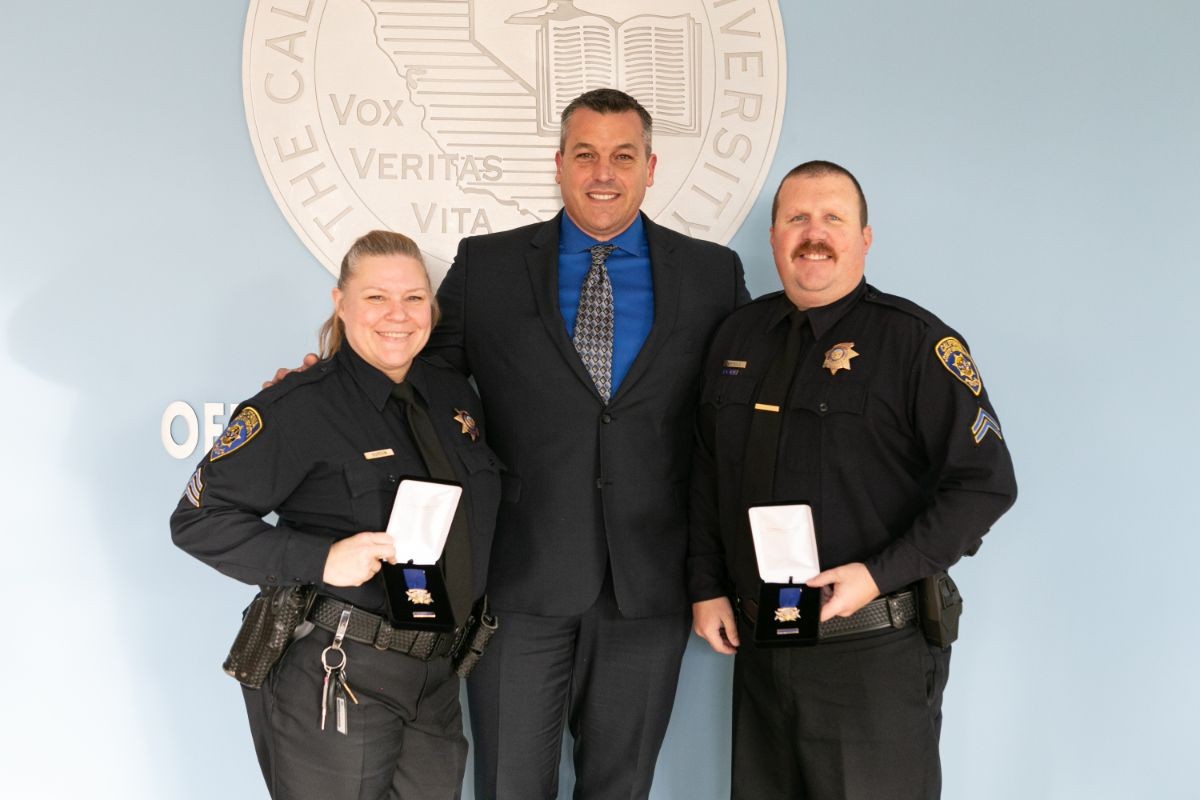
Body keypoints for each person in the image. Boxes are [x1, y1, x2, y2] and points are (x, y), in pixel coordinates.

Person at [429, 88, 749, 799]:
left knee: (621, 788)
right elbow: (419, 381)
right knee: (510, 786)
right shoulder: (487, 266)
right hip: (519, 579)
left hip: (651, 583)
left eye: (623, 156)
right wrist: (330, 377)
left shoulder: (712, 275)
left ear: (650, 168)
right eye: (586, 155)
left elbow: (739, 414)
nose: (604, 173)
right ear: (559, 164)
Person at [689, 161, 1018, 799]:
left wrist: (876, 574)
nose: (814, 233)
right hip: (762, 648)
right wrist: (705, 585)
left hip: (873, 654)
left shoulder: (916, 342)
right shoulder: (737, 337)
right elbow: (707, 470)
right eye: (797, 218)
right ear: (774, 237)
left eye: (833, 218)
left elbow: (985, 485)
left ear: (864, 238)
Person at [171, 230, 502, 800]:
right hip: (340, 673)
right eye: (376, 297)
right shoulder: (298, 406)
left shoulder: (455, 398)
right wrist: (322, 558)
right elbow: (198, 519)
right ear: (340, 303)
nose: (397, 314)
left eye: (414, 298)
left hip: (436, 679)